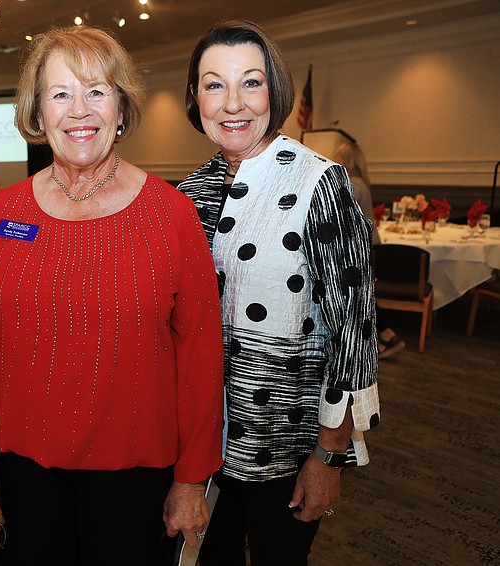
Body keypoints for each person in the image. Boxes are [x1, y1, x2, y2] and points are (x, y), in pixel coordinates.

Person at [0, 25, 224, 566]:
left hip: (135, 478)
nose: (79, 111)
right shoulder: (5, 216)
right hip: (27, 474)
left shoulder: (172, 215)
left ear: (121, 109)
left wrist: (193, 479)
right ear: (37, 114)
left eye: (96, 92)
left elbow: (200, 357)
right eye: (60, 94)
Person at [177, 20, 379, 565]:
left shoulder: (322, 185)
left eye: (251, 82)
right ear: (195, 98)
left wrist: (328, 456)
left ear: (276, 91)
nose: (232, 102)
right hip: (203, 449)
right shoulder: (185, 196)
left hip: (289, 450)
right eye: (214, 84)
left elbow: (354, 337)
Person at [333, 141, 405, 359]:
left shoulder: (352, 185)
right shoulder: (361, 182)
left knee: (360, 296)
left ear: (346, 160)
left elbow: (339, 214)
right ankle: (385, 337)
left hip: (360, 245)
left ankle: (387, 334)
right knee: (362, 295)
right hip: (368, 243)